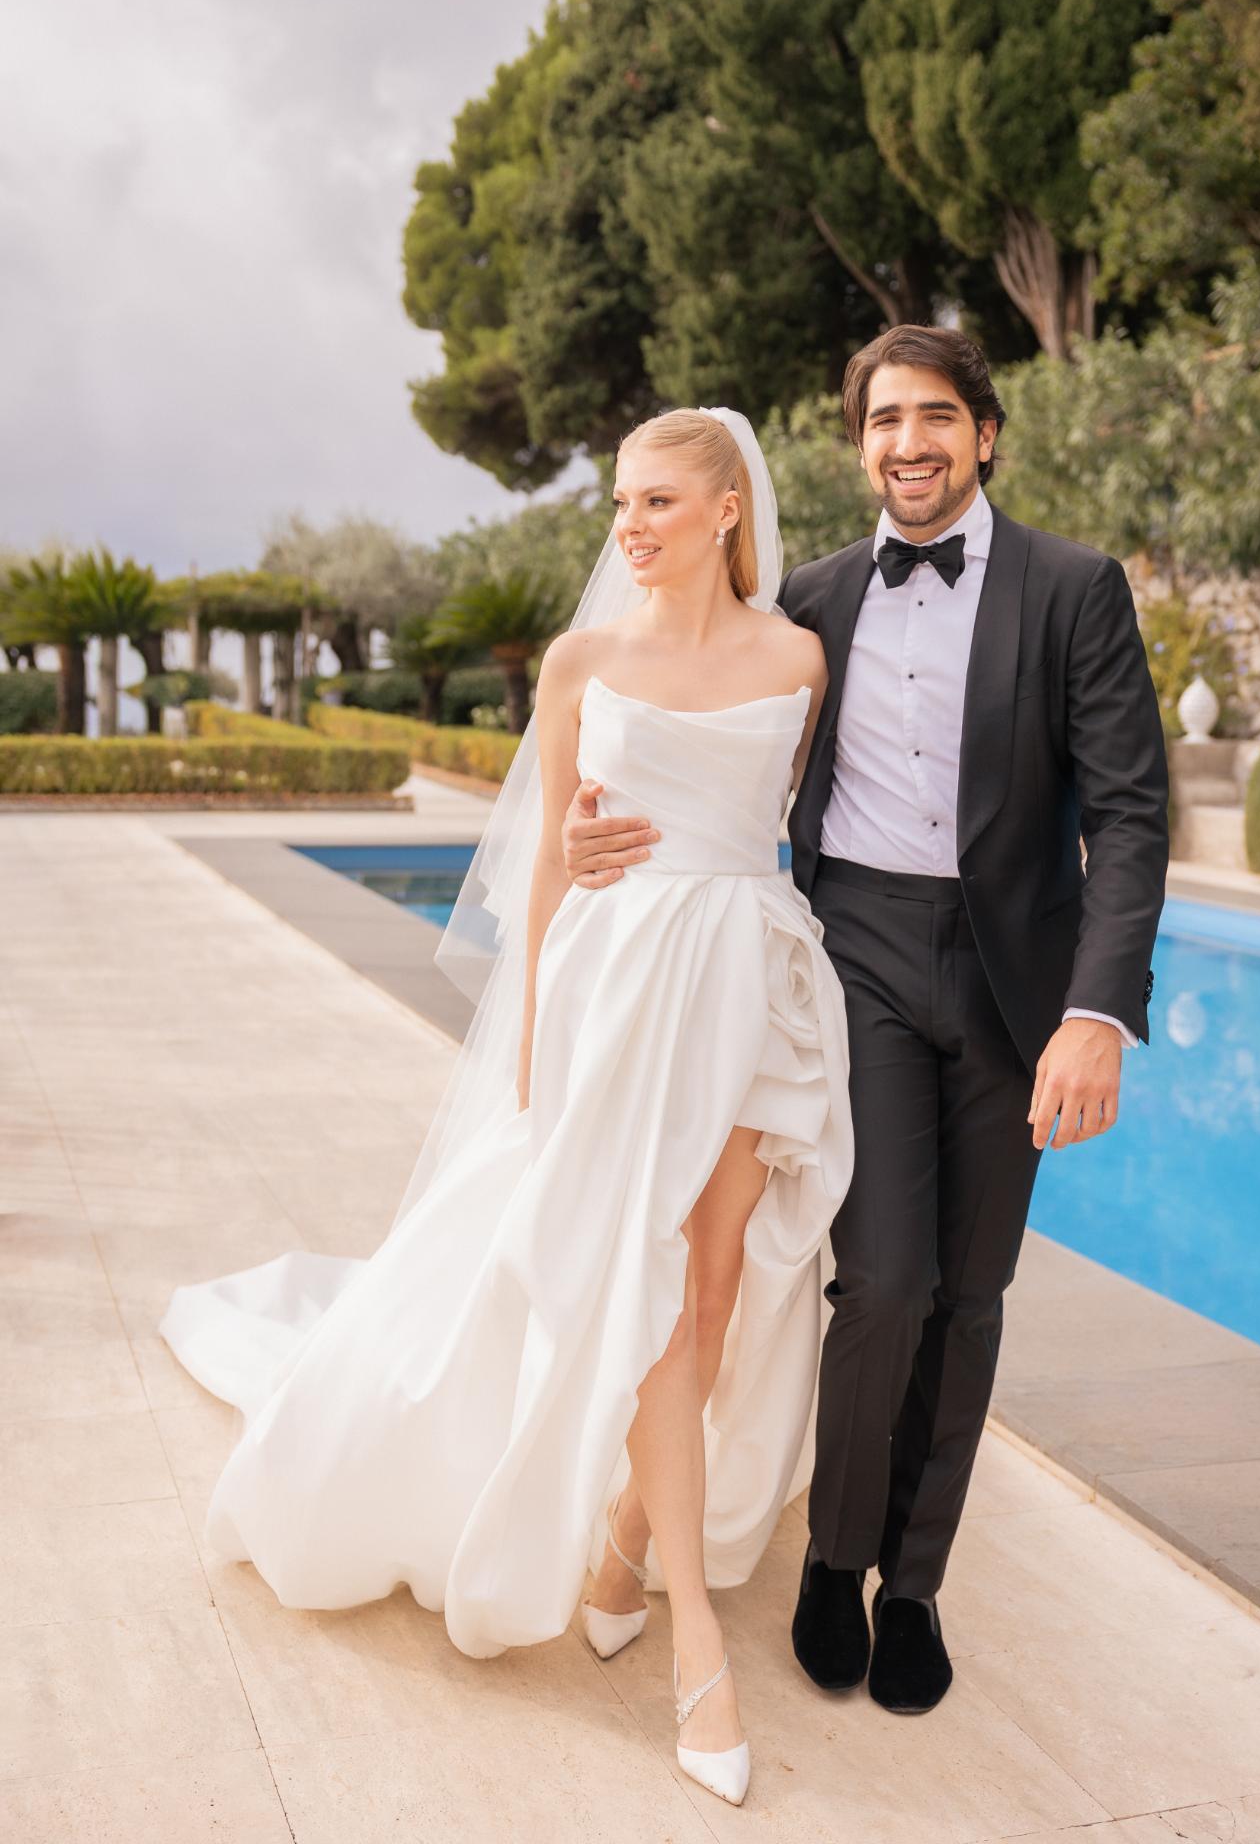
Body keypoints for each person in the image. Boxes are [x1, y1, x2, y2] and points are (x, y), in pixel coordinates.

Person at [159, 407, 854, 1810]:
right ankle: (696, 1652)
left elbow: (791, 828)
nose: (631, 525)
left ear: (730, 511)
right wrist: (539, 1038)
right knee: (647, 1288)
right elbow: (548, 860)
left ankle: (618, 1549)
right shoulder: (581, 662)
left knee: (715, 1297)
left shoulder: (798, 658)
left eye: (659, 501)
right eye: (620, 502)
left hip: (750, 989)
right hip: (616, 995)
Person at [562, 327, 1170, 1717]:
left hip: (1020, 979)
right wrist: (602, 832)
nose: (911, 442)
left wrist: (1098, 1012)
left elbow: (1132, 813)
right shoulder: (815, 603)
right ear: (859, 446)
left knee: (971, 1294)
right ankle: (833, 1559)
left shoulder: (1077, 589)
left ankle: (915, 1586)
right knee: (882, 1278)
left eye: (938, 417)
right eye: (886, 420)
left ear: (985, 435)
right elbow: (705, 720)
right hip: (862, 963)